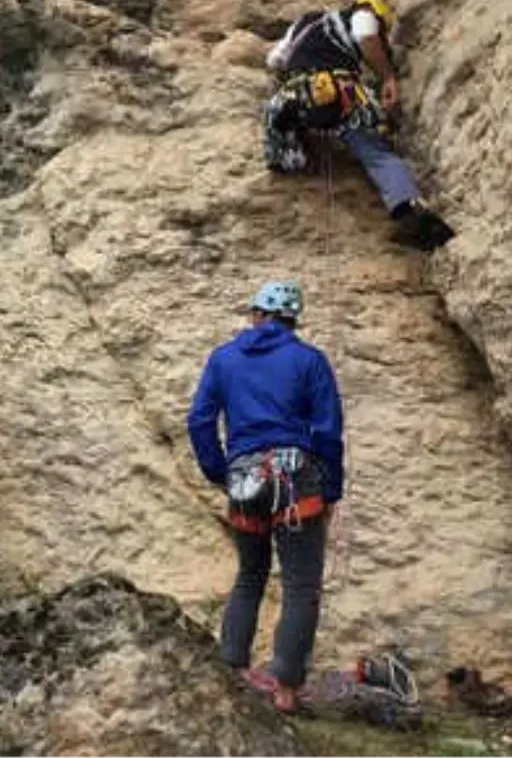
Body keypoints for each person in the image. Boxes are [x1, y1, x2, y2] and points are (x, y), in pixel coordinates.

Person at [186, 281, 344, 714]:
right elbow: (328, 431)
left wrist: (219, 472)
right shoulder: (309, 360)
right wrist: (331, 490)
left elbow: (200, 420)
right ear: (293, 319)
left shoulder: (223, 359)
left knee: (250, 575)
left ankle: (232, 669)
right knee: (300, 585)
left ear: (257, 314)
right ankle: (285, 688)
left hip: (243, 481)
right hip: (295, 479)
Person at [263, 0, 455, 252]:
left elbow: (274, 61)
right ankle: (408, 207)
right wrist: (387, 76)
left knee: (280, 122)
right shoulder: (363, 14)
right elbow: (366, 36)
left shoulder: (303, 24)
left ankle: (287, 155)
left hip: (294, 98)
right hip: (339, 92)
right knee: (376, 153)